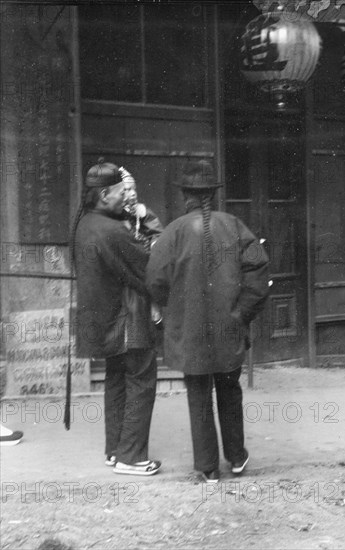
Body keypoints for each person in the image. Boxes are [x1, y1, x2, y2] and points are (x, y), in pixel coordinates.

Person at [146, 159, 270, 483]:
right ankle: (238, 457)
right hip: (229, 328)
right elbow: (258, 275)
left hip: (189, 332)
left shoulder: (172, 232)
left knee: (198, 395)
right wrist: (242, 314)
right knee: (230, 391)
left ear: (186, 195)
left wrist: (168, 314)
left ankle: (208, 467)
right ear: (211, 195)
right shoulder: (234, 225)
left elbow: (155, 281)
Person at [73, 159, 161, 476]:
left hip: (107, 321)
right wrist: (149, 222)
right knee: (140, 382)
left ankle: (115, 451)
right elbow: (149, 268)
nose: (127, 197)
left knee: (116, 384)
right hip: (129, 320)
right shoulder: (113, 231)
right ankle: (132, 457)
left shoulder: (85, 223)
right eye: (122, 192)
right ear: (106, 193)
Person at [119, 166, 164, 330]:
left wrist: (154, 244)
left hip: (142, 276)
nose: (132, 194)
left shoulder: (143, 214)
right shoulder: (111, 217)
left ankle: (154, 308)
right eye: (127, 190)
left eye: (134, 189)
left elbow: (158, 233)